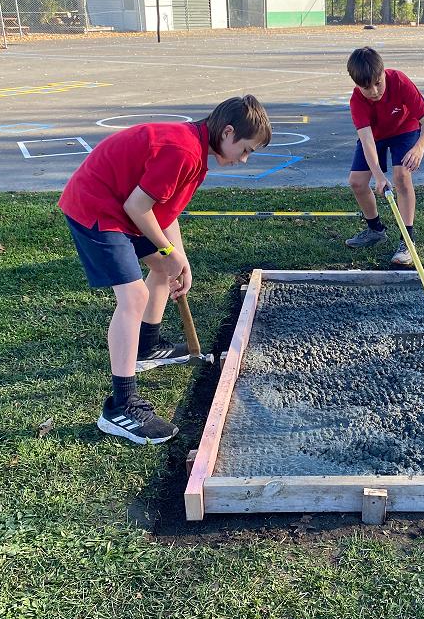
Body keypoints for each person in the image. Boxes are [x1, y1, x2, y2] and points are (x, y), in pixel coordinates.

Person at [58, 96, 272, 445]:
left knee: (163, 269)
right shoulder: (183, 151)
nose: (243, 159)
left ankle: (146, 347)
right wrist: (168, 251)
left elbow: (164, 211)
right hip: (97, 206)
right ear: (228, 132)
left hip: (124, 206)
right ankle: (121, 407)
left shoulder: (196, 150)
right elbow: (137, 206)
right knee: (133, 297)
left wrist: (178, 258)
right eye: (245, 149)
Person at [344, 46, 424, 266]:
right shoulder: (357, 101)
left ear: (383, 73)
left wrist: (419, 148)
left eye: (378, 83)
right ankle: (375, 230)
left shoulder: (399, 81)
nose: (374, 91)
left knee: (401, 176)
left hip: (404, 129)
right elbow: (367, 141)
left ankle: (407, 241)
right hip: (375, 136)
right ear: (357, 85)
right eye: (366, 88)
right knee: (357, 182)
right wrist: (378, 175)